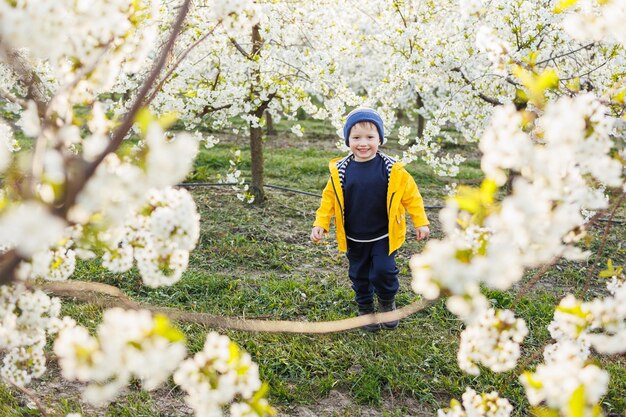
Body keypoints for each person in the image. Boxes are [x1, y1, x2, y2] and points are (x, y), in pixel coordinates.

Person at [310, 107, 430, 331]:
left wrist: (420, 221)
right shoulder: (341, 171)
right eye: (356, 138)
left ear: (380, 139)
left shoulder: (392, 169)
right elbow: (328, 200)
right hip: (354, 236)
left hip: (384, 234)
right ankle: (365, 309)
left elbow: (411, 196)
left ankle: (386, 303)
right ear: (348, 140)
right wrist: (321, 223)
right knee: (360, 274)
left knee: (384, 270)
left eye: (369, 137)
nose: (363, 143)